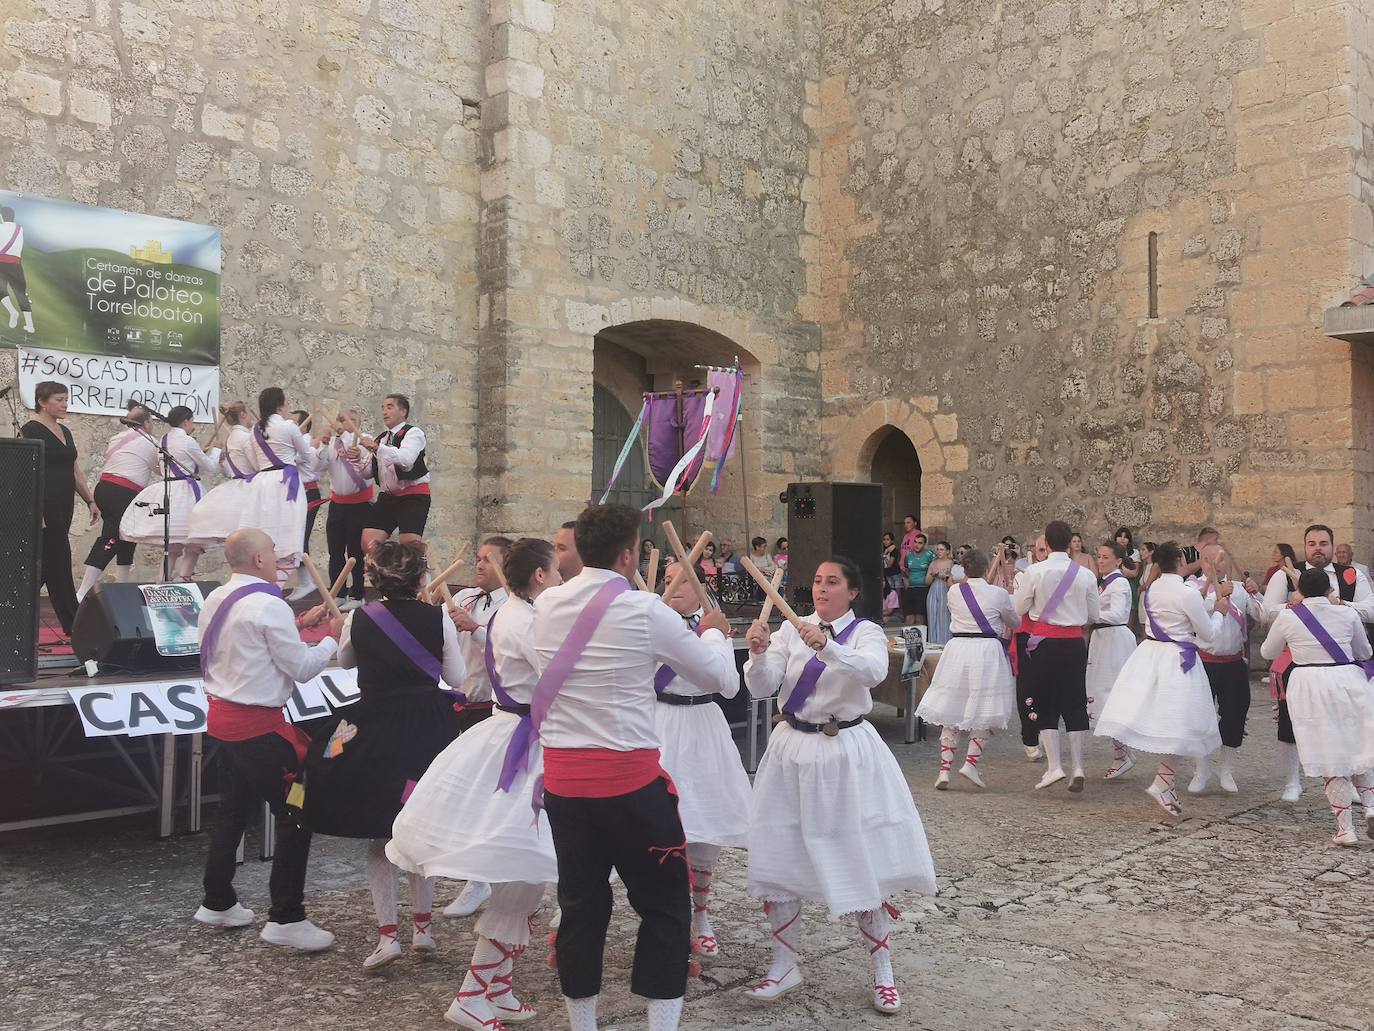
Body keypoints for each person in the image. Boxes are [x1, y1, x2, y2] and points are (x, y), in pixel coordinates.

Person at [532, 503, 736, 1031]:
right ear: (628, 556)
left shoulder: (547, 605)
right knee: (666, 909)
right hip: (631, 788)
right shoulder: (645, 610)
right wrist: (713, 632)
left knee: (580, 906)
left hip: (564, 787)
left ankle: (584, 1025)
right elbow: (721, 680)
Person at [743, 556, 937, 1013]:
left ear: (852, 592)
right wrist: (757, 652)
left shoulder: (866, 632)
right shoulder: (792, 628)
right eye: (816, 581)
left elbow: (873, 672)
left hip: (844, 753)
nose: (821, 589)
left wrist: (827, 647)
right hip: (792, 749)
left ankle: (882, 970)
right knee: (783, 854)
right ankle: (784, 963)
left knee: (857, 857)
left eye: (832, 583)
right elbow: (762, 687)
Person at [390, 538, 561, 1028]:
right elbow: (560, 677)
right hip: (525, 743)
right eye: (556, 571)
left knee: (527, 874)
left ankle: (498, 987)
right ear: (540, 577)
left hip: (516, 735)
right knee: (522, 871)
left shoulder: (512, 615)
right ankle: (471, 995)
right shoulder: (524, 620)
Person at [300, 539, 463, 969]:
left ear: (373, 579)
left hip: (376, 730)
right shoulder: (438, 617)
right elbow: (456, 676)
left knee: (381, 833)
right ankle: (423, 929)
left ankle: (388, 935)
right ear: (423, 578)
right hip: (429, 729)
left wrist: (349, 635)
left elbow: (347, 662)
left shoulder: (359, 618)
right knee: (421, 829)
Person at [194, 529, 340, 950]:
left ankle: (217, 900)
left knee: (233, 811)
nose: (280, 557)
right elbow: (303, 669)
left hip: (223, 723)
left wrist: (297, 624)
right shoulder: (268, 605)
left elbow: (246, 641)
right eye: (274, 551)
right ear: (259, 560)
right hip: (257, 730)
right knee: (298, 813)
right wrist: (333, 634)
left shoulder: (217, 597)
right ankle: (286, 917)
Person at [655, 565, 752, 961]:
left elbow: (728, 685)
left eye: (683, 580)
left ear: (701, 590)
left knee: (705, 826)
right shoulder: (652, 620)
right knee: (662, 825)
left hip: (703, 725)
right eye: (667, 580)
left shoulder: (714, 627)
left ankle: (701, 915)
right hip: (658, 725)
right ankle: (667, 916)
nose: (672, 587)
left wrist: (713, 633)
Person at [1095, 542, 1225, 818]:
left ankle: (1165, 782)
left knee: (1174, 723)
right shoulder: (1185, 592)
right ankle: (1163, 781)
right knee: (1181, 723)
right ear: (1179, 560)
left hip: (1152, 654)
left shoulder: (1153, 588)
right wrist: (1221, 613)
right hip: (1178, 659)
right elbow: (1208, 635)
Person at [1259, 523, 1374, 801]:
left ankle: (1349, 779)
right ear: (1305, 545)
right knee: (1290, 721)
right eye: (1312, 543)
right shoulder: (1284, 577)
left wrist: (1337, 606)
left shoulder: (1350, 575)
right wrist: (1295, 605)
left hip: (1340, 661)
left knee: (1345, 721)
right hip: (1295, 659)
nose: (1317, 549)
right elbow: (1266, 612)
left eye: (1323, 543)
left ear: (1332, 546)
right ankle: (1291, 781)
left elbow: (1370, 609)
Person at [442, 535, 514, 919]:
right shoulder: (467, 595)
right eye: (479, 557)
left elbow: (509, 656)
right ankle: (470, 866)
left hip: (491, 709)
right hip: (457, 702)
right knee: (458, 790)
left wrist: (475, 628)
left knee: (486, 794)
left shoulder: (512, 606)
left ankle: (481, 878)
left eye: (489, 559)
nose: (480, 564)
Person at [916, 548, 1016, 789]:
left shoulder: (954, 591)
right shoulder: (998, 594)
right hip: (986, 651)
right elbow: (1014, 622)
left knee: (953, 706)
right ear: (984, 568)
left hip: (958, 648)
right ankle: (971, 763)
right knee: (984, 707)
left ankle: (944, 770)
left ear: (964, 568)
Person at [1013, 520, 1100, 791]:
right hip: (1074, 644)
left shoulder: (1035, 571)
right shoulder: (1085, 574)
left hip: (1044, 645)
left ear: (1047, 544)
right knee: (1075, 703)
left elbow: (1019, 607)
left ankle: (1054, 767)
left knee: (1045, 702)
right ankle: (1078, 767)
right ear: (1070, 542)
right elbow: (1093, 616)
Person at [22, 381, 98, 635]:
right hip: (44, 508)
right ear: (42, 402)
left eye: (66, 399)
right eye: (59, 399)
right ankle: (75, 626)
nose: (65, 404)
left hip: (64, 506)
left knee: (48, 568)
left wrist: (90, 500)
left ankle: (14, 611)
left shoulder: (64, 431)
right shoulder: (30, 429)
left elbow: (75, 471)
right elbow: (26, 473)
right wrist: (37, 512)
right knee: (59, 565)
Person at [1187, 544, 1261, 795]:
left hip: (1234, 663)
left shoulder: (1239, 589)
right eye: (1210, 560)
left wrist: (1256, 595)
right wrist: (1214, 596)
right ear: (1203, 563)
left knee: (1235, 716)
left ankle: (1226, 768)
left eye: (1221, 559)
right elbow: (1191, 614)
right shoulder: (1192, 588)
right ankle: (1202, 768)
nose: (1216, 564)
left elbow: (1262, 616)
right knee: (1199, 718)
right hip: (1204, 662)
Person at [118, 404, 221, 581]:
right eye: (192, 421)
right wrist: (217, 450)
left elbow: (184, 462)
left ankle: (162, 580)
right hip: (186, 493)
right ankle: (184, 577)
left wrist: (199, 454)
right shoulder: (188, 441)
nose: (193, 424)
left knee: (173, 543)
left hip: (169, 491)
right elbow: (210, 466)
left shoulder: (163, 439)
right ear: (186, 421)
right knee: (194, 539)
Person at [77, 405, 159, 600]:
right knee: (112, 537)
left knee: (127, 536)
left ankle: (123, 586)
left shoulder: (117, 438)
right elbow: (162, 470)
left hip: (104, 488)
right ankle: (82, 592)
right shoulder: (150, 442)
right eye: (151, 422)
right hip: (123, 491)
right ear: (146, 423)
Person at [1087, 542, 1137, 779]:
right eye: (1099, 556)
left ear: (1118, 560)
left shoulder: (1119, 583)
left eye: (1106, 557)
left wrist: (1089, 615)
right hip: (1102, 638)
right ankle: (1121, 752)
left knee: (1110, 695)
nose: (1101, 560)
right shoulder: (1105, 583)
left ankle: (1122, 754)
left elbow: (1118, 614)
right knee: (1100, 694)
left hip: (1114, 639)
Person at [185, 402, 259, 561]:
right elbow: (257, 465)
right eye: (249, 412)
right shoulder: (245, 437)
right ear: (243, 415)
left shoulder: (231, 437)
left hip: (236, 486)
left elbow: (228, 471)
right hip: (249, 489)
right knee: (253, 538)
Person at [360, 393, 430, 551]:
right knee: (369, 541)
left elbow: (405, 460)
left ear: (403, 411)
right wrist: (357, 459)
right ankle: (384, 574)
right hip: (388, 497)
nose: (384, 411)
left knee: (410, 546)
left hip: (413, 495)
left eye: (389, 407)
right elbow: (367, 473)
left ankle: (422, 574)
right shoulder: (381, 439)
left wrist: (377, 448)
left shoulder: (413, 433)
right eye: (383, 408)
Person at [321, 409, 374, 611]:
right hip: (337, 504)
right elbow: (318, 466)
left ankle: (358, 594)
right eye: (340, 419)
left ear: (356, 423)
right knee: (335, 551)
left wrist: (348, 435)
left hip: (359, 505)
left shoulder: (364, 439)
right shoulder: (332, 443)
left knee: (356, 551)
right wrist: (323, 443)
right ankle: (338, 592)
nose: (342, 423)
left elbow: (367, 465)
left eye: (348, 420)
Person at [286, 409, 327, 600]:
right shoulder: (299, 444)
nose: (289, 426)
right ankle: (304, 581)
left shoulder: (309, 446)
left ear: (304, 426)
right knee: (294, 537)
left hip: (308, 494)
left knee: (300, 537)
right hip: (297, 493)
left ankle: (307, 582)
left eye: (294, 423)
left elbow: (288, 460)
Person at [0, 205, 35, 334]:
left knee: (0, 290)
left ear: (2, 216)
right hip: (15, 265)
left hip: (1, 263)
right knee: (21, 293)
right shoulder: (20, 229)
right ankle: (30, 325)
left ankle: (12, 312)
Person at [924, 541, 955, 644]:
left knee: (944, 616)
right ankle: (933, 642)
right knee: (932, 615)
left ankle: (945, 642)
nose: (939, 552)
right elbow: (927, 582)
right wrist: (932, 574)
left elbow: (954, 579)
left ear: (947, 551)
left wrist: (944, 577)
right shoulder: (933, 563)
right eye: (937, 549)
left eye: (941, 549)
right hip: (934, 589)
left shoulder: (952, 563)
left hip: (945, 589)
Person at [901, 531, 933, 627]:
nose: (916, 545)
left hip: (923, 589)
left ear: (924, 544)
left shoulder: (929, 555)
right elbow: (905, 569)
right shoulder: (908, 555)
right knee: (909, 617)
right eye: (915, 542)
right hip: (910, 589)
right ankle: (908, 640)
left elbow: (935, 567)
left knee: (920, 617)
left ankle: (920, 640)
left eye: (920, 543)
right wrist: (906, 580)